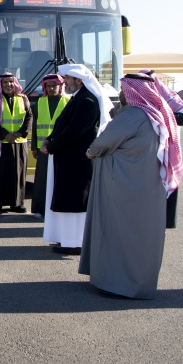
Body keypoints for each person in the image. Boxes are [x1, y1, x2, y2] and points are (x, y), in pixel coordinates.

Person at [79, 72, 183, 299]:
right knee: (140, 237)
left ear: (134, 92)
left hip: (124, 187)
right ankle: (134, 283)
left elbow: (102, 143)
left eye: (124, 90)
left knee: (121, 233)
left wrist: (91, 151)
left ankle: (118, 284)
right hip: (145, 187)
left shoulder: (134, 115)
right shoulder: (155, 114)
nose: (121, 94)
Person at [39, 64, 111, 255]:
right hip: (68, 158)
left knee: (76, 201)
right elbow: (62, 124)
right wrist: (50, 138)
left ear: (78, 80)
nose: (65, 82)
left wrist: (52, 146)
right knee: (68, 200)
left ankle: (76, 243)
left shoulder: (87, 100)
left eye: (68, 78)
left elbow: (74, 132)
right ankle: (68, 241)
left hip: (77, 161)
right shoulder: (78, 97)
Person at [141, 69, 183, 229]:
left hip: (168, 148)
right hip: (150, 148)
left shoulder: (167, 98)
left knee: (167, 180)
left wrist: (164, 115)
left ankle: (166, 222)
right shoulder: (141, 98)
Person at [0, 73, 32, 214]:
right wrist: (5, 135)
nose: (8, 85)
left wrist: (19, 133)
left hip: (19, 142)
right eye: (5, 82)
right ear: (1, 84)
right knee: (0, 174)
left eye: (11, 82)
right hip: (0, 143)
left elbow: (29, 117)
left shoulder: (23, 99)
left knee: (18, 174)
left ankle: (17, 204)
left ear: (15, 83)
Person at [31, 74, 70, 219]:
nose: (52, 88)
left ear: (60, 86)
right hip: (43, 149)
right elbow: (34, 126)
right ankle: (40, 210)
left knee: (59, 178)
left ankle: (58, 210)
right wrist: (34, 147)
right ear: (45, 87)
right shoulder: (39, 103)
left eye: (55, 85)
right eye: (49, 86)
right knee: (42, 179)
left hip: (61, 147)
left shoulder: (68, 101)